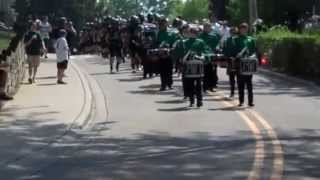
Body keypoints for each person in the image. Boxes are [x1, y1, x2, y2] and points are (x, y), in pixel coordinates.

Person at [182, 26, 211, 108]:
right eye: (192, 32)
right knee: (190, 84)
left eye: (195, 33)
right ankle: (191, 101)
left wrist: (203, 57)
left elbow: (206, 51)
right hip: (188, 65)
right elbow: (183, 53)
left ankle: (199, 101)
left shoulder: (200, 42)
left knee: (198, 84)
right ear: (189, 33)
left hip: (198, 64)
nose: (193, 34)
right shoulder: (185, 42)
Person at [233, 23, 257, 107]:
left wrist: (253, 55)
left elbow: (254, 50)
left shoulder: (251, 39)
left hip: (248, 62)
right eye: (242, 29)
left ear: (247, 29)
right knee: (240, 83)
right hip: (239, 62)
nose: (243, 30)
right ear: (239, 30)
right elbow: (233, 50)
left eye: (245, 29)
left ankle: (250, 101)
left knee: (249, 83)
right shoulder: (235, 39)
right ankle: (241, 101)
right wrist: (237, 54)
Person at [198, 21, 221, 92]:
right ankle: (205, 87)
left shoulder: (214, 36)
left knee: (212, 71)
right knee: (204, 71)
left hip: (212, 55)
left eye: (208, 27)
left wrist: (217, 48)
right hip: (203, 55)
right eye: (205, 27)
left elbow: (218, 44)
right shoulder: (200, 36)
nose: (207, 28)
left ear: (210, 28)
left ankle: (211, 86)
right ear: (204, 28)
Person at [156, 18, 177, 91]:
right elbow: (157, 42)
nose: (164, 24)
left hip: (169, 53)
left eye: (165, 23)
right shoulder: (159, 32)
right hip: (161, 53)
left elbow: (175, 42)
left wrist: (172, 48)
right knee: (162, 70)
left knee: (169, 70)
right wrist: (159, 47)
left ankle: (169, 84)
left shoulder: (171, 32)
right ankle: (163, 85)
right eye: (162, 23)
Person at [223, 27, 239, 98]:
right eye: (232, 33)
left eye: (235, 33)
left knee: (239, 77)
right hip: (230, 60)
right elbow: (225, 51)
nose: (234, 34)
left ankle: (239, 92)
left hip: (238, 60)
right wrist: (228, 57)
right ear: (230, 33)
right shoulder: (226, 41)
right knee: (231, 78)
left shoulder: (239, 40)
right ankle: (232, 92)